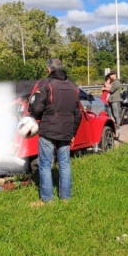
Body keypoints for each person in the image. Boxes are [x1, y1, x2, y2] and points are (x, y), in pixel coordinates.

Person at [27, 58, 81, 206]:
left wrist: (34, 117)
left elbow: (36, 107)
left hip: (49, 130)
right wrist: (73, 132)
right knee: (65, 164)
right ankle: (65, 198)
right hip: (66, 131)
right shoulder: (73, 86)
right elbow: (78, 113)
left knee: (44, 165)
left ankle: (47, 199)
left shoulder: (45, 84)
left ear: (48, 69)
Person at [104, 70, 123, 137]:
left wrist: (105, 88)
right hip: (111, 100)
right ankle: (114, 127)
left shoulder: (117, 82)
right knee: (111, 114)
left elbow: (111, 90)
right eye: (109, 75)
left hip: (115, 100)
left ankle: (118, 128)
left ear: (114, 75)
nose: (110, 76)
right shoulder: (113, 82)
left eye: (111, 75)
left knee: (116, 114)